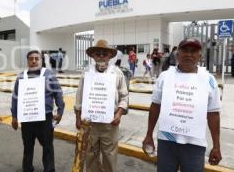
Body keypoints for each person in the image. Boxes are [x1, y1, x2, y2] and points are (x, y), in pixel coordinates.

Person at [142, 38, 222, 172]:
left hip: (195, 144)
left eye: (193, 51)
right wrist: (149, 135)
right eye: (184, 50)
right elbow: (155, 106)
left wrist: (217, 146)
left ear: (200, 56)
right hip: (166, 142)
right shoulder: (165, 77)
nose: (188, 54)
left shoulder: (209, 80)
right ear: (177, 54)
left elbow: (213, 114)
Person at [74, 39, 128, 172]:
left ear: (110, 56)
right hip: (90, 122)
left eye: (105, 53)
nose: (101, 56)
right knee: (90, 155)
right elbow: (79, 97)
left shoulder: (117, 73)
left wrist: (119, 113)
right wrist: (77, 117)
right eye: (98, 53)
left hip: (110, 124)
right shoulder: (86, 73)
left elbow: (124, 96)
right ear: (93, 56)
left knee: (109, 156)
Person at [11, 50, 65, 172]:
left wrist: (60, 111)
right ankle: (27, 168)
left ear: (41, 60)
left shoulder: (49, 74)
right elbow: (15, 97)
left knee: (47, 146)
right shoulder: (21, 76)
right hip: (27, 118)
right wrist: (14, 116)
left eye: (37, 58)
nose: (34, 61)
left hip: (45, 118)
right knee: (28, 146)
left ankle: (49, 169)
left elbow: (58, 93)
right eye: (31, 58)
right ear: (28, 60)